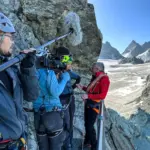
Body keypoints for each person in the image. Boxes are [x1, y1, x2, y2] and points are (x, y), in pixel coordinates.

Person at [0, 12, 40, 149]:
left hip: (19, 141)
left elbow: (32, 96)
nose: (13, 41)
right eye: (10, 36)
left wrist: (28, 68)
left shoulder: (10, 69)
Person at [33, 47, 71, 150]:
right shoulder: (49, 71)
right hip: (52, 115)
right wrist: (64, 79)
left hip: (38, 114)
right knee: (55, 146)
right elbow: (55, 92)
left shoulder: (35, 71)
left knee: (43, 147)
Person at [77, 62, 110, 150]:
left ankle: (94, 145)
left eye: (93, 68)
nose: (91, 69)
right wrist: (83, 87)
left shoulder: (104, 79)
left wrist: (89, 96)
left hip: (94, 105)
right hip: (89, 103)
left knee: (89, 125)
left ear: (97, 69)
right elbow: (91, 89)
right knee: (87, 124)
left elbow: (102, 95)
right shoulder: (96, 77)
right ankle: (87, 142)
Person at [55, 47, 81, 150]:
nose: (68, 62)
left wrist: (72, 88)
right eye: (66, 59)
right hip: (65, 99)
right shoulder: (58, 70)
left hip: (65, 98)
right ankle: (67, 145)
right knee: (66, 122)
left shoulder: (65, 71)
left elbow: (78, 78)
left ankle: (67, 145)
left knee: (67, 122)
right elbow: (78, 78)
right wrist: (72, 88)